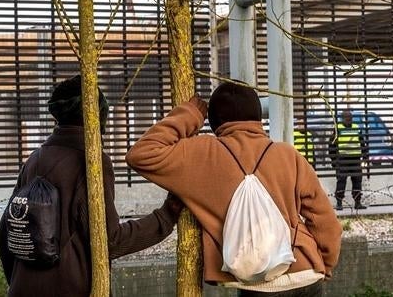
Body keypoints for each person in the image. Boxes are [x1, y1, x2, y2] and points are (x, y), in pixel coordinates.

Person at [126, 82, 342, 296]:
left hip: (253, 283)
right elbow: (325, 221)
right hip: (305, 274)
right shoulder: (287, 155)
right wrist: (325, 263)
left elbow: (141, 154)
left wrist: (190, 113)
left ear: (215, 121)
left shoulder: (201, 155)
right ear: (258, 116)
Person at [0, 75, 183, 297]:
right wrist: (166, 216)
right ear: (96, 114)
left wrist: (21, 280)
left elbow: (4, 233)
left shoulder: (35, 158)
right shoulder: (92, 162)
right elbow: (110, 240)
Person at [329, 110, 367, 210]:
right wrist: (333, 160)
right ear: (342, 119)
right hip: (342, 159)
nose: (349, 120)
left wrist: (365, 156)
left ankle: (357, 202)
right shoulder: (338, 129)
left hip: (355, 159)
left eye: (350, 118)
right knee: (341, 181)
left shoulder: (356, 128)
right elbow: (332, 145)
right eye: (346, 118)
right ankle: (339, 203)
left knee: (357, 181)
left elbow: (362, 143)